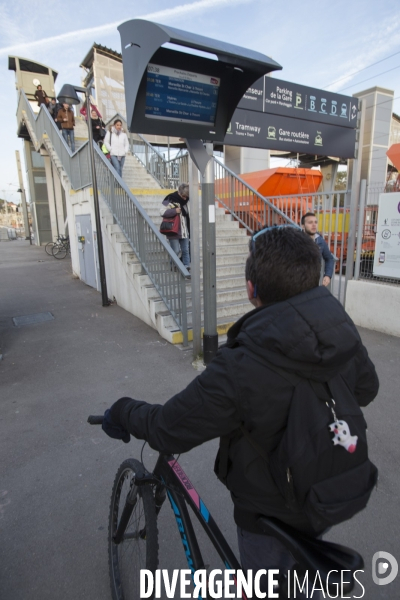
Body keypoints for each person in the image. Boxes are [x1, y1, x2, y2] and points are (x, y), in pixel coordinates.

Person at [101, 226, 379, 596]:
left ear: (252, 289)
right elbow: (366, 388)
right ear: (314, 277)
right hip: (331, 484)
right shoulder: (338, 329)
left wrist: (122, 411)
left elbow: (169, 429)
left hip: (270, 511)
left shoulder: (242, 363)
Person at [160, 183, 190, 269]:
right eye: (184, 196)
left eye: (186, 196)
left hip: (184, 230)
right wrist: (174, 211)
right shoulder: (170, 198)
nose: (185, 198)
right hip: (173, 230)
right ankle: (172, 265)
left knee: (186, 250)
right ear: (179, 193)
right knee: (176, 250)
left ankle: (186, 267)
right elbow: (161, 211)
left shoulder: (187, 200)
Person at [301, 212, 334, 286]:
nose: (314, 225)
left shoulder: (320, 241)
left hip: (313, 282)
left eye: (315, 222)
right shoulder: (296, 240)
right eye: (310, 222)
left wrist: (328, 275)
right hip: (297, 283)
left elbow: (329, 258)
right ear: (303, 226)